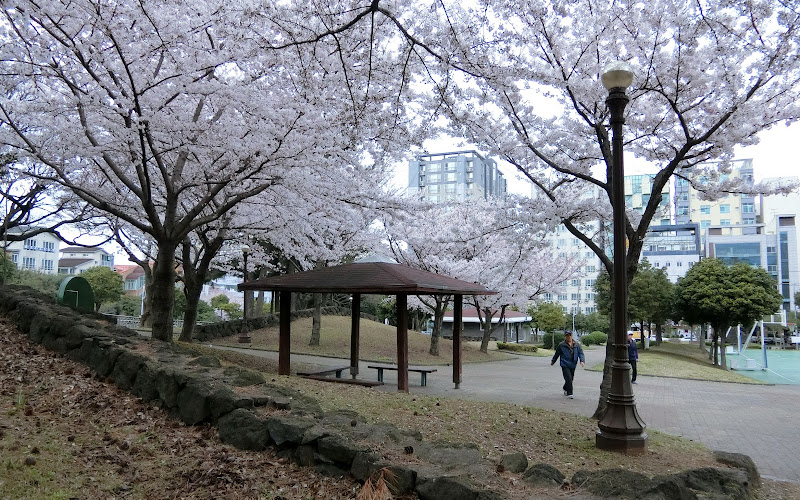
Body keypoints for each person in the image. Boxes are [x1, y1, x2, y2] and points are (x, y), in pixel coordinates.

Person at [550, 332, 585, 398]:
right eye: (567, 336)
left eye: (569, 335)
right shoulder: (561, 345)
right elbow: (557, 354)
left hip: (573, 364)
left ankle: (565, 388)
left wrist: (582, 361)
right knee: (568, 378)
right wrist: (553, 361)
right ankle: (570, 393)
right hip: (564, 363)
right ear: (565, 337)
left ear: (572, 336)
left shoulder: (577, 345)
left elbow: (580, 353)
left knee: (571, 378)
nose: (568, 337)